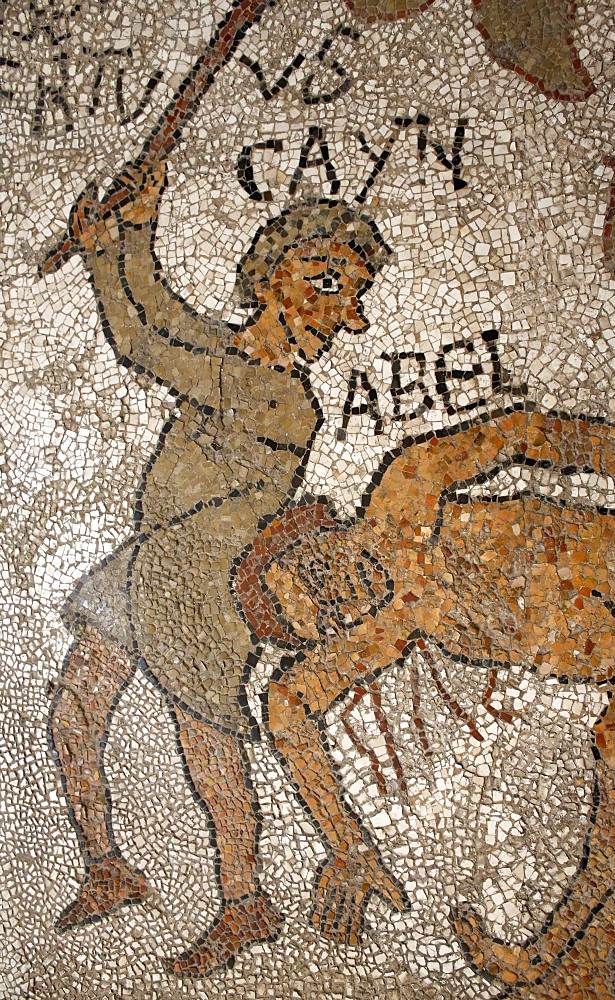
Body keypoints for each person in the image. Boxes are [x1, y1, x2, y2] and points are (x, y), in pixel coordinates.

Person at [46, 157, 399, 977]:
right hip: (149, 559)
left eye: (351, 297)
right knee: (76, 709)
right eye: (326, 282)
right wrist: (125, 233)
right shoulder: (233, 351)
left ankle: (245, 904)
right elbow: (161, 316)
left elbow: (143, 338)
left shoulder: (284, 399)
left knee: (206, 746)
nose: (342, 314)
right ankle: (107, 865)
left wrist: (116, 247)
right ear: (274, 276)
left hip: (205, 583)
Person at [239, 406, 615, 997]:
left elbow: (519, 433)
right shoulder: (388, 625)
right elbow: (287, 703)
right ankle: (556, 961)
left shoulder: (404, 493)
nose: (341, 595)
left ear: (320, 532)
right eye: (329, 618)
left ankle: (559, 962)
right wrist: (347, 845)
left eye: (317, 573)